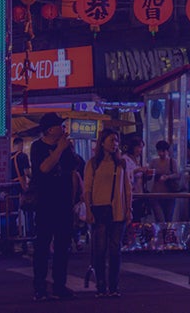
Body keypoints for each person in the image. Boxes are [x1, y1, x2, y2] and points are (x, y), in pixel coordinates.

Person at [30, 112, 78, 301]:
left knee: (62, 247)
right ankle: (39, 287)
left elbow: (73, 169)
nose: (63, 128)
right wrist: (59, 149)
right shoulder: (37, 147)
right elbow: (44, 168)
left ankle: (60, 285)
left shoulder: (67, 147)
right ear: (50, 129)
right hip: (45, 204)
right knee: (42, 247)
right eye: (59, 125)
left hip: (64, 203)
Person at [84, 128, 132, 298]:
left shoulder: (121, 164)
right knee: (100, 249)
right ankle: (101, 286)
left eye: (116, 141)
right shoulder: (93, 164)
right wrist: (88, 210)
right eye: (112, 140)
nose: (115, 144)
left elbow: (127, 188)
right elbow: (87, 189)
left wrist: (128, 209)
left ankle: (114, 286)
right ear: (102, 142)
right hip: (100, 209)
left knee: (115, 249)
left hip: (118, 210)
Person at [149, 140, 180, 222]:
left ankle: (167, 233)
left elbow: (177, 174)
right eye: (159, 151)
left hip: (169, 193)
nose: (161, 153)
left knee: (168, 217)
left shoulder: (172, 162)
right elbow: (149, 174)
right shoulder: (154, 162)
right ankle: (160, 233)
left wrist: (168, 177)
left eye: (163, 151)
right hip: (156, 193)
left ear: (167, 151)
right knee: (159, 217)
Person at [122, 136, 149, 222]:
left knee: (138, 219)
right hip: (131, 195)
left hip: (139, 194)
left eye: (141, 147)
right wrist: (137, 171)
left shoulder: (137, 160)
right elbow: (124, 176)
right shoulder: (125, 159)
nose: (140, 150)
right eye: (139, 147)